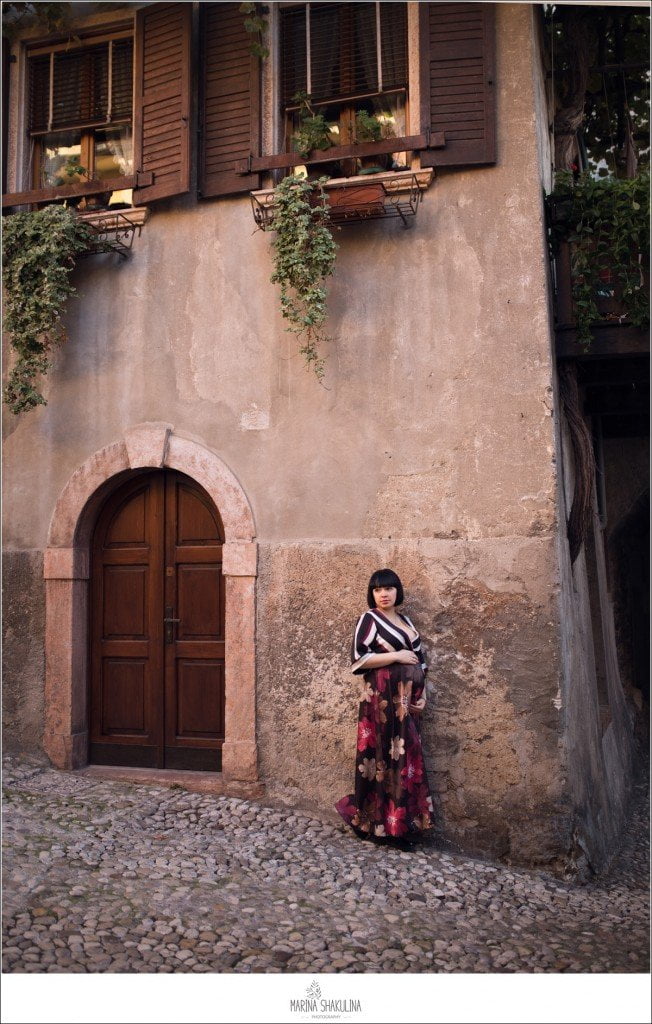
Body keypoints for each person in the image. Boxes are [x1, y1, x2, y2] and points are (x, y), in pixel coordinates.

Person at [335, 568, 435, 847]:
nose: (383, 594)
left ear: (397, 591)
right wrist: (397, 655)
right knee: (382, 758)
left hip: (406, 702)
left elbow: (420, 662)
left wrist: (423, 695)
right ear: (372, 594)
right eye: (377, 589)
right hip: (382, 698)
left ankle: (399, 824)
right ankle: (378, 826)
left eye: (389, 588)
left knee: (406, 760)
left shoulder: (406, 621)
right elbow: (359, 659)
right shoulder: (369, 619)